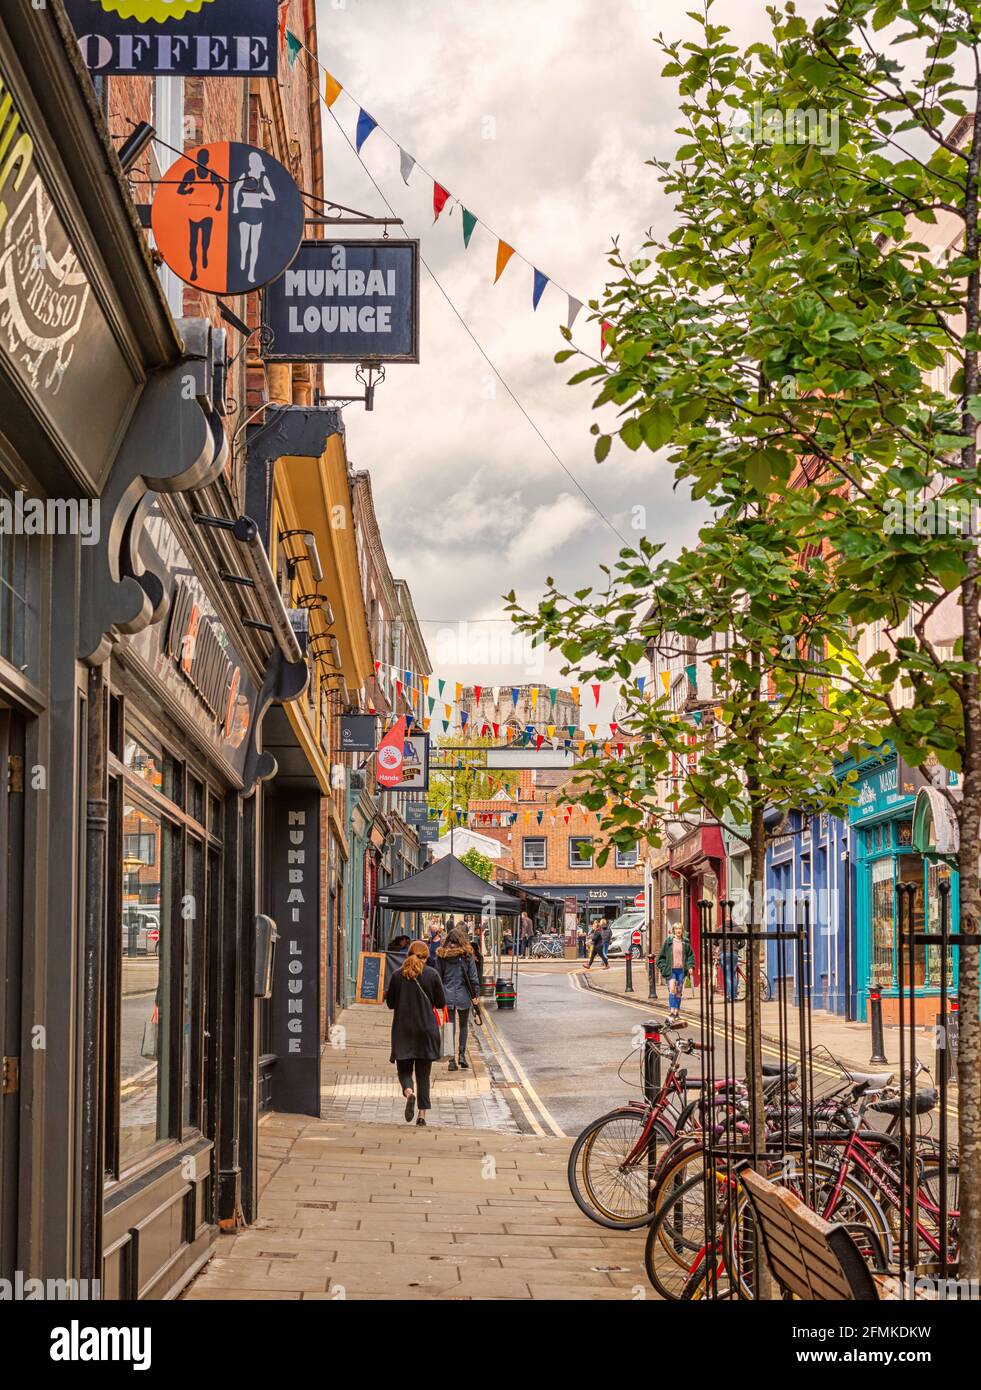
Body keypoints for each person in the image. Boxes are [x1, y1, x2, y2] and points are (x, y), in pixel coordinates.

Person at [384, 940, 445, 1127]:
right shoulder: (432, 974)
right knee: (423, 1075)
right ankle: (421, 1116)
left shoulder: (396, 975)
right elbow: (441, 1002)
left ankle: (409, 1093)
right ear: (426, 957)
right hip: (426, 1030)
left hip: (403, 1030)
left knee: (404, 1071)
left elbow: (391, 1004)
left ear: (407, 954)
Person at [437, 927, 481, 1071]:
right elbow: (474, 979)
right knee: (463, 1026)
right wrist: (476, 996)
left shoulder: (442, 955)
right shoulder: (468, 956)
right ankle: (462, 1055)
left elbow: (438, 977)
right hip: (463, 995)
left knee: (449, 1028)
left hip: (447, 995)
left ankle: (451, 1061)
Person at [656, 923, 696, 1021]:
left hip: (681, 970)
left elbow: (691, 956)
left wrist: (690, 966)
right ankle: (672, 1011)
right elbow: (660, 958)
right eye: (676, 929)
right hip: (671, 971)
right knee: (672, 990)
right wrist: (664, 967)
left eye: (680, 929)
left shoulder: (685, 943)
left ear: (682, 930)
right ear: (674, 930)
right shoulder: (668, 942)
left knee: (678, 992)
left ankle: (677, 1012)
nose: (678, 931)